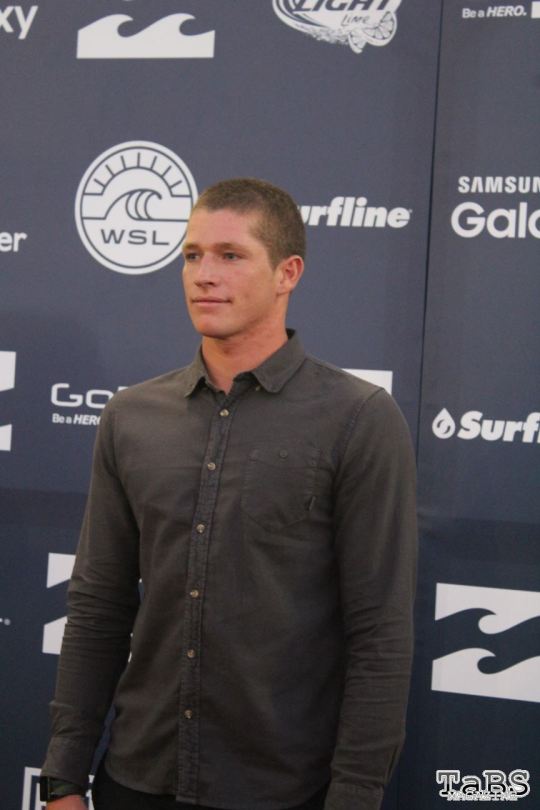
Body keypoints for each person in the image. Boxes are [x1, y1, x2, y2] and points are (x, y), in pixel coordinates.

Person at [40, 178, 417, 810]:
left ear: (287, 273)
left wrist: (355, 795)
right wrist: (63, 776)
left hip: (282, 790)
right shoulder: (131, 416)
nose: (203, 275)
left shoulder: (358, 419)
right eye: (192, 256)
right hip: (137, 777)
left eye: (230, 255)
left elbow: (380, 632)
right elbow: (99, 606)